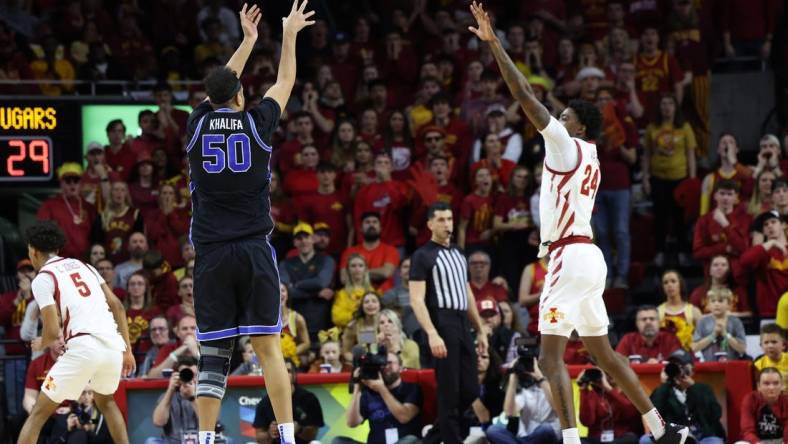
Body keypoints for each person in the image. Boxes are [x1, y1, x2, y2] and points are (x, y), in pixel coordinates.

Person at [467, 4, 692, 444]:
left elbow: (524, 97)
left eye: (566, 115)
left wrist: (496, 45)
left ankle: (571, 441)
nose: (558, 117)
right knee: (604, 354)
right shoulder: (591, 157)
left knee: (550, 356)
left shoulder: (567, 145)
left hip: (568, 256)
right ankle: (660, 429)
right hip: (590, 257)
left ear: (579, 126)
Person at [18, 221, 135, 444]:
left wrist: (39, 344)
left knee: (37, 415)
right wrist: (127, 351)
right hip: (112, 347)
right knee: (107, 403)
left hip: (83, 347)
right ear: (57, 249)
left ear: (32, 251)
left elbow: (52, 333)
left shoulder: (43, 278)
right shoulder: (84, 266)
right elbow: (118, 306)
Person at [409, 201, 488, 444]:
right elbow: (416, 300)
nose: (447, 224)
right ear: (430, 224)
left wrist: (481, 330)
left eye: (450, 219)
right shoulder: (422, 256)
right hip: (442, 322)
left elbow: (468, 294)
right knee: (449, 394)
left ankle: (431, 439)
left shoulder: (459, 253)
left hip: (462, 321)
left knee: (471, 390)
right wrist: (432, 333)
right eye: (441, 220)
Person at [334, 352, 422, 444]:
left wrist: (381, 389)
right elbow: (351, 423)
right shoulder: (368, 393)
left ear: (400, 368)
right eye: (382, 364)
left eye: (390, 362)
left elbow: (404, 417)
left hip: (403, 442)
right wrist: (357, 388)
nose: (386, 366)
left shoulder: (412, 388)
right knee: (338, 441)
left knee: (411, 440)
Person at [642, 358, 725, 444]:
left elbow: (715, 414)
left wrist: (693, 387)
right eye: (675, 367)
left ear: (691, 371)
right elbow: (654, 414)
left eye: (682, 366)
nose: (679, 370)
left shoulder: (702, 389)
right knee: (646, 440)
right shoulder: (664, 391)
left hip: (701, 436)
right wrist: (665, 384)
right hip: (672, 435)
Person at [279, 222, 336, 341]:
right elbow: (286, 290)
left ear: (313, 239)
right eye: (299, 238)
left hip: (321, 321)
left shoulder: (327, 260)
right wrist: (316, 293)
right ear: (294, 242)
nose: (303, 241)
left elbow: (321, 282)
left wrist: (296, 285)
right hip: (294, 323)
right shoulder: (285, 264)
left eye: (307, 237)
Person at [484, 357, 560, 444]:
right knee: (492, 430)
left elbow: (558, 408)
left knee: (546, 429)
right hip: (525, 439)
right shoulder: (526, 390)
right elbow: (509, 412)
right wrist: (513, 377)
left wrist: (540, 379)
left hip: (549, 438)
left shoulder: (556, 387)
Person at [253, 359, 324, 444]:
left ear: (294, 375)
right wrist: (270, 433)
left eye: (288, 371)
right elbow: (259, 437)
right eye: (279, 371)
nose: (283, 374)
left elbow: (313, 434)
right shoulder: (265, 402)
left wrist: (299, 429)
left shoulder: (309, 399)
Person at [740, 210, 788, 318]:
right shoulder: (762, 252)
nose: (770, 226)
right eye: (766, 225)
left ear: (784, 225)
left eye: (773, 222)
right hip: (769, 313)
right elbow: (744, 261)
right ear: (763, 231)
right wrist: (771, 243)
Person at [577, 368, 641, 444]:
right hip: (596, 438)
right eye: (605, 373)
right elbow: (587, 422)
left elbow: (631, 413)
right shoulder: (593, 394)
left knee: (631, 439)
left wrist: (609, 389)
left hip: (621, 437)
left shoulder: (628, 392)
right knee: (574, 441)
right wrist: (583, 389)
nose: (608, 376)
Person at [147, 356, 201, 444]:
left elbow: (211, 424)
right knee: (151, 442)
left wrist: (192, 398)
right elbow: (158, 422)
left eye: (194, 375)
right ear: (177, 375)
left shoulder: (205, 397)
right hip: (172, 442)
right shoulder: (167, 396)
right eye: (186, 374)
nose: (190, 378)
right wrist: (170, 390)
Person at [690, 289, 746, 362]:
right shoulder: (703, 322)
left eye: (720, 301)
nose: (716, 304)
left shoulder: (735, 322)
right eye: (713, 301)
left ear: (729, 304)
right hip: (709, 366)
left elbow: (742, 348)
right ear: (708, 305)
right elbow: (694, 347)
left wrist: (725, 334)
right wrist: (713, 335)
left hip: (731, 365)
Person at [616, 306, 682, 364]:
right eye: (644, 319)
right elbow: (617, 362)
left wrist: (659, 363)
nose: (648, 322)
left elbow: (679, 363)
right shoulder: (628, 340)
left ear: (659, 322)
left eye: (652, 319)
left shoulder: (670, 339)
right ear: (636, 323)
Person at [739, 368, 788, 444]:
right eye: (766, 383)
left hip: (781, 440)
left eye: (776, 383)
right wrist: (756, 442)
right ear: (758, 386)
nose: (771, 387)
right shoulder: (750, 399)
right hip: (757, 441)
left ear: (782, 386)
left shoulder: (786, 402)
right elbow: (747, 430)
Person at [753, 324, 788, 389]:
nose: (770, 346)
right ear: (761, 346)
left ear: (783, 345)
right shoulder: (757, 366)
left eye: (774, 342)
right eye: (766, 342)